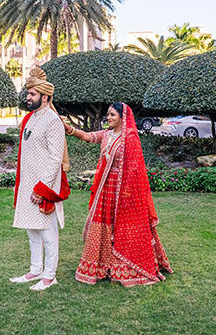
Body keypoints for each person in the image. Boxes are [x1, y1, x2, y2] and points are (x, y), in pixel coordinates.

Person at [65, 103, 172, 287]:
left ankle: (121, 265)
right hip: (105, 188)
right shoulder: (107, 134)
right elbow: (89, 137)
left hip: (123, 190)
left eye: (112, 114)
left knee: (121, 227)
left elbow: (135, 169)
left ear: (122, 117)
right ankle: (102, 265)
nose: (108, 118)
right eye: (108, 114)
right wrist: (70, 129)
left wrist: (128, 193)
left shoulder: (129, 138)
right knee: (103, 224)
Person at [10, 67, 71, 292]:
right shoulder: (31, 118)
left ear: (45, 97)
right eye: (28, 94)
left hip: (44, 186)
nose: (28, 97)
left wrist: (42, 188)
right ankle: (35, 270)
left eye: (33, 94)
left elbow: (55, 159)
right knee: (31, 231)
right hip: (27, 183)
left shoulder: (53, 121)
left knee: (47, 232)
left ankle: (49, 275)